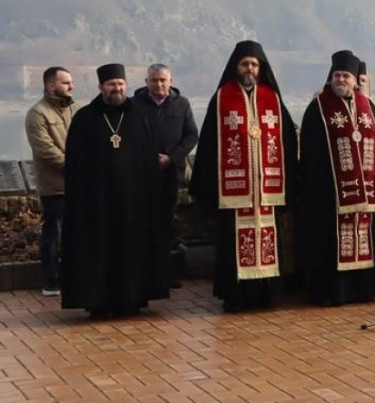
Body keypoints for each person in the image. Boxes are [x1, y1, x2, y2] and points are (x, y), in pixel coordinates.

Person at [190, 41, 298, 312]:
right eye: (244, 63)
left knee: (268, 238)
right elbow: (208, 145)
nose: (249, 68)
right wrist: (209, 186)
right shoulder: (222, 98)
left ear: (261, 68)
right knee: (233, 243)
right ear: (235, 67)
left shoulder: (271, 97)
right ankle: (235, 295)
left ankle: (266, 294)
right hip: (234, 191)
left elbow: (287, 139)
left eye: (254, 64)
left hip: (267, 188)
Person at [61, 64, 167, 316]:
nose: (117, 88)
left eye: (120, 83)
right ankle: (99, 302)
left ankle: (133, 299)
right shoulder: (85, 118)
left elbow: (150, 158)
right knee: (101, 250)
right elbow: (74, 164)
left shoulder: (141, 114)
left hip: (134, 201)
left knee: (131, 250)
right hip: (97, 202)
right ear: (100, 87)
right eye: (111, 84)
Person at [298, 50, 375, 305]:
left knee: (364, 240)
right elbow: (310, 153)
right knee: (331, 246)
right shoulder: (318, 108)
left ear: (355, 80)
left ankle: (363, 290)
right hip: (330, 193)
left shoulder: (368, 107)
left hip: (367, 193)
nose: (341, 80)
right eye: (337, 75)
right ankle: (334, 293)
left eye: (346, 76)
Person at [132, 63, 199, 288]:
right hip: (141, 176)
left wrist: (171, 157)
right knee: (141, 222)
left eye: (163, 80)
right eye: (154, 80)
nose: (159, 84)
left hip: (170, 173)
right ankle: (142, 272)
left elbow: (191, 136)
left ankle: (166, 272)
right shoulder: (133, 105)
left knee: (167, 222)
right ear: (146, 82)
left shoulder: (182, 104)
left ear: (170, 81)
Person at [25, 66, 78, 297]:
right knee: (53, 233)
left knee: (76, 234)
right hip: (54, 186)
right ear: (51, 85)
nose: (71, 86)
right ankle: (51, 282)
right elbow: (45, 150)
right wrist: (76, 167)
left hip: (78, 185)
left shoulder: (76, 110)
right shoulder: (37, 114)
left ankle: (74, 277)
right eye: (66, 82)